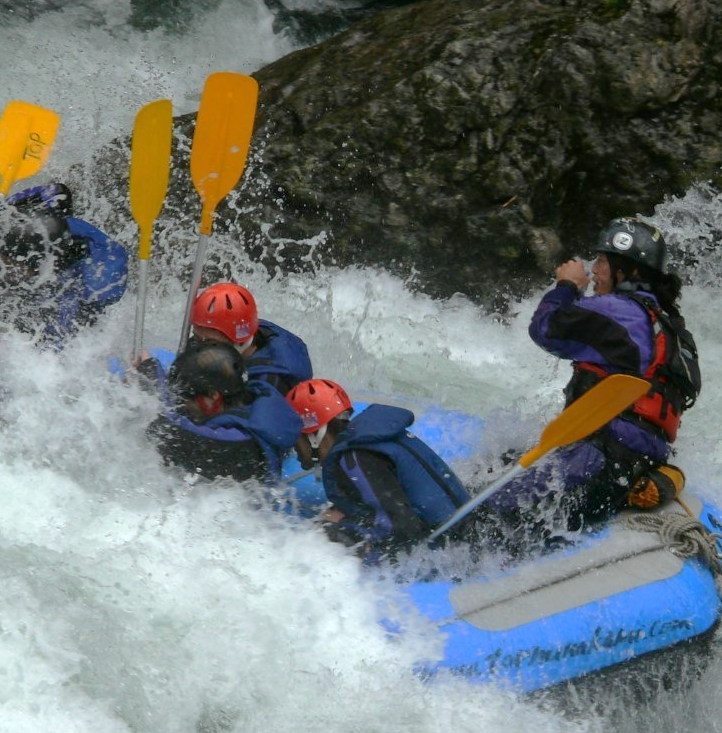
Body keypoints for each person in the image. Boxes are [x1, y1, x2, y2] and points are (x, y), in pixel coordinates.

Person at [483, 216, 700, 536]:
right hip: (635, 467)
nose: (594, 270)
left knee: (488, 516)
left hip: (596, 459)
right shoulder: (669, 325)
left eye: (601, 261)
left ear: (630, 271)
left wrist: (568, 286)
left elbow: (546, 328)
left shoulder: (619, 310)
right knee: (501, 461)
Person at [286, 378, 471, 562]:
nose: (294, 447)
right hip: (464, 532)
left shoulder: (354, 459)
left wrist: (343, 526)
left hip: (454, 552)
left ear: (314, 436)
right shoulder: (369, 439)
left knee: (327, 531)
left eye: (296, 438)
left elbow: (403, 530)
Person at [0, 194, 128, 348]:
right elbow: (56, 190)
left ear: (40, 267)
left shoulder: (96, 284)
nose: (3, 264)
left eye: (11, 263)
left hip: (67, 317)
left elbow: (53, 351)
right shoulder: (51, 225)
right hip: (42, 274)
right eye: (3, 255)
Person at [146, 340, 302, 484]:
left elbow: (166, 431)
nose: (183, 404)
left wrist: (149, 373)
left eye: (186, 398)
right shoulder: (258, 393)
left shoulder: (239, 443)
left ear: (213, 396)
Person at [188, 282, 312, 395]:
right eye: (197, 338)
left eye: (211, 343)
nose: (200, 350)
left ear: (240, 341)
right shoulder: (239, 328)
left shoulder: (269, 382)